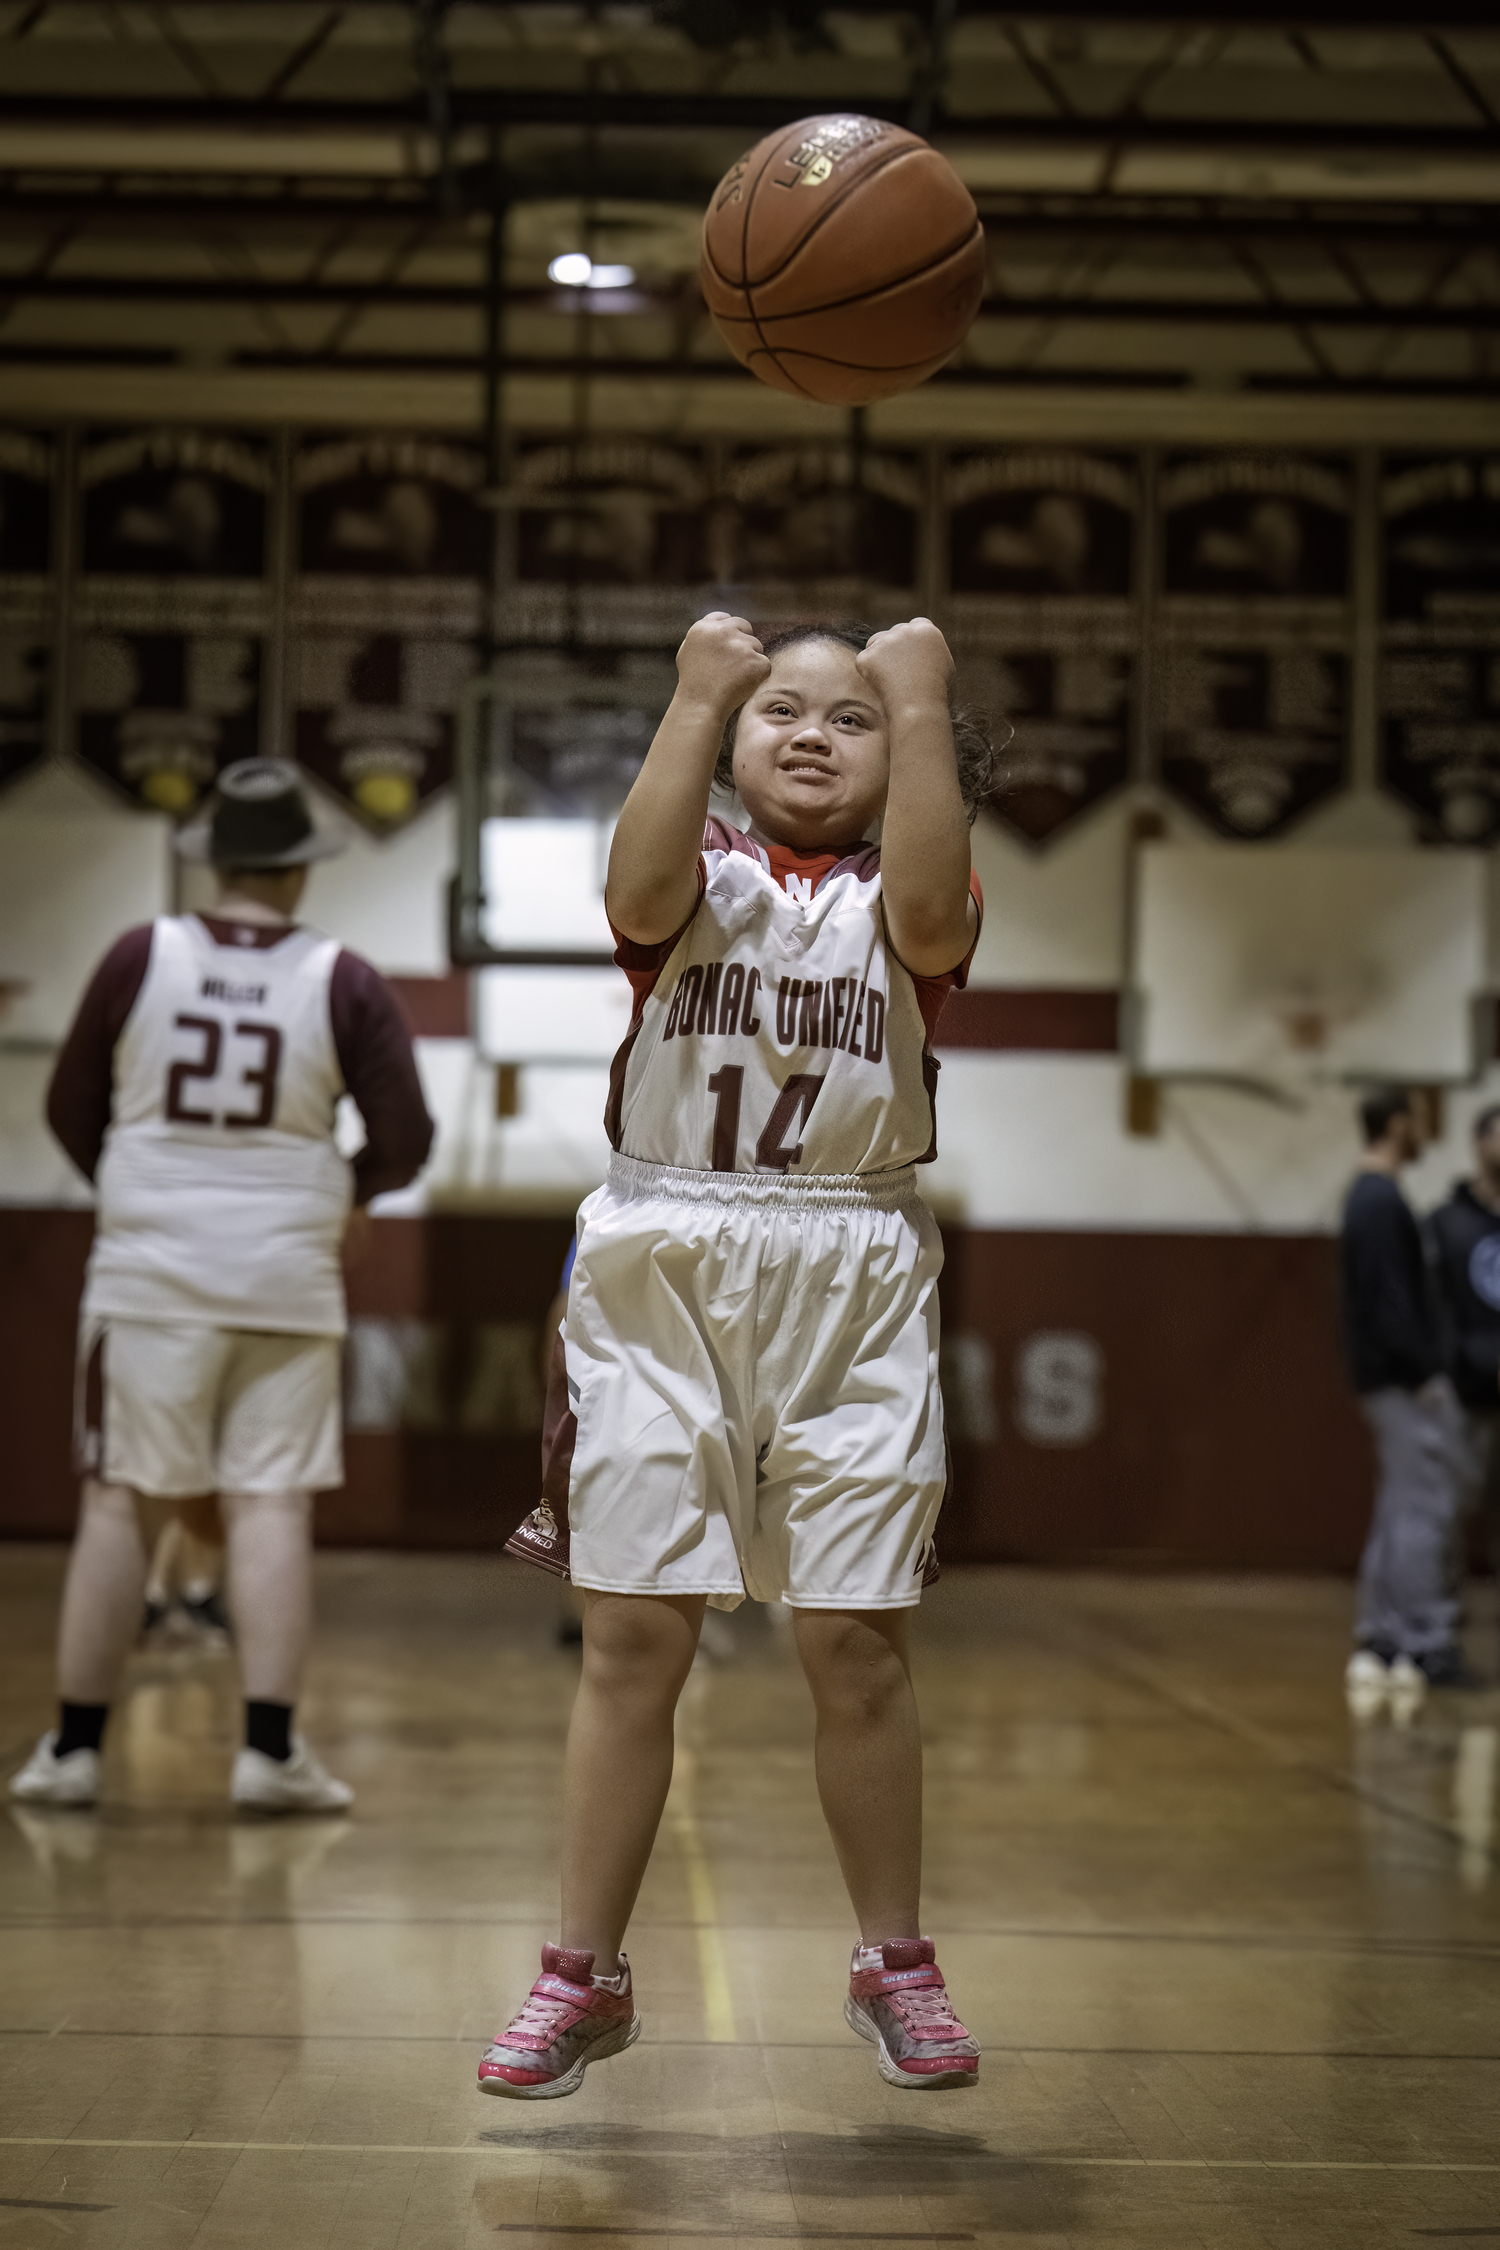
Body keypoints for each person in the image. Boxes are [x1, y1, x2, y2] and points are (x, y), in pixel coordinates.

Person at [484, 611, 996, 2099]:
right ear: (730, 736)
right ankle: (581, 1969)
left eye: (853, 716)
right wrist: (694, 695)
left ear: (901, 752)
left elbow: (935, 926)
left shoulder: (919, 886)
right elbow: (631, 885)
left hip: (854, 1261)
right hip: (666, 1255)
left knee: (853, 1641)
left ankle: (893, 1959)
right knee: (634, 1634)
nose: (814, 733)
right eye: (783, 709)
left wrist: (925, 697)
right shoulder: (691, 874)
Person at [10, 758, 434, 1814]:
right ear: (299, 870)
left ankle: (72, 1752)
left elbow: (68, 1105)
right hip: (287, 1273)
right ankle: (268, 1752)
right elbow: (407, 1139)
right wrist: (340, 1188)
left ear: (213, 861)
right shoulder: (343, 977)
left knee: (119, 1504)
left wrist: (144, 1184)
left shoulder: (137, 954)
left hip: (152, 1271)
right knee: (269, 1503)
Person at [1341, 1085, 1480, 1716]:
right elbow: (1387, 1297)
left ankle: (1385, 1634)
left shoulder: (1374, 1199)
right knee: (1424, 1507)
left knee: (1401, 1507)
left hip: (1389, 1378)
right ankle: (1423, 1639)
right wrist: (1422, 1369)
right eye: (1419, 1122)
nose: (1426, 1133)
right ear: (1397, 1125)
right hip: (1402, 1381)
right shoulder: (1378, 1201)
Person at [1425, 1105, 1500, 1632]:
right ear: (1479, 1144)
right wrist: (1463, 1363)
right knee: (1451, 1509)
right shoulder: (1447, 1224)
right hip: (1468, 1392)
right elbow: (1434, 1308)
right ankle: (1440, 1618)